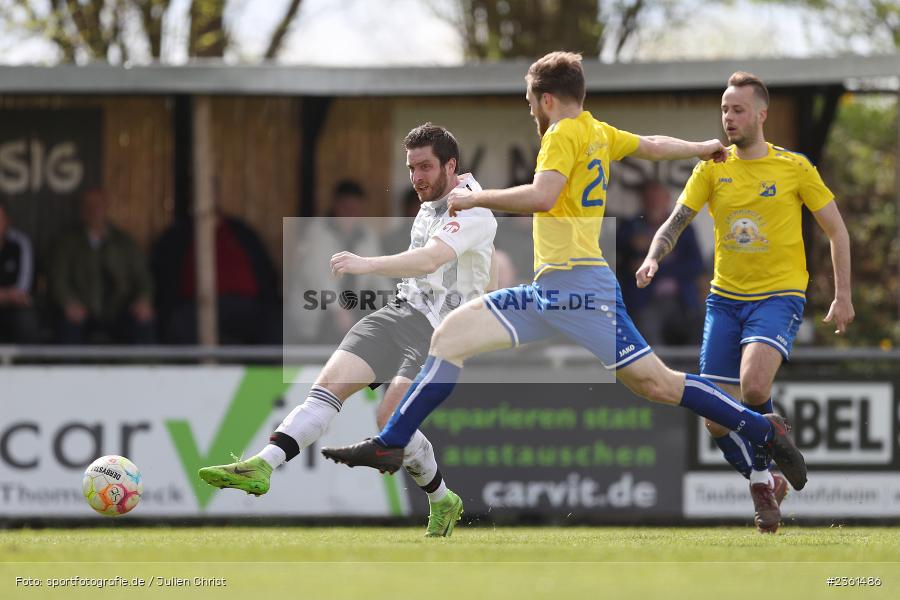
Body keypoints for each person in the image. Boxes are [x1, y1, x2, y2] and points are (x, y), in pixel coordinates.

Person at [321, 52, 809, 508]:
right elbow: (654, 145)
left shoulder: (560, 134)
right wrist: (702, 147)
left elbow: (543, 196)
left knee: (656, 383)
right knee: (449, 336)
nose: (531, 109)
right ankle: (391, 444)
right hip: (549, 290)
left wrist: (476, 197)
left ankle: (762, 432)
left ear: (546, 99)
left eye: (531, 101)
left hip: (581, 289)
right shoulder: (594, 129)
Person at [199, 123, 498, 537]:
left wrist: (366, 263)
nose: (417, 178)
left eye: (425, 167)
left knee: (389, 417)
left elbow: (430, 260)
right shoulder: (430, 202)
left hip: (441, 332)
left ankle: (442, 499)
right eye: (411, 168)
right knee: (325, 390)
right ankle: (263, 465)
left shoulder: (473, 209)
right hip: (399, 314)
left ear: (452, 165)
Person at [634, 72, 854, 532]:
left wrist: (843, 294)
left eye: (737, 110)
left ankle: (762, 470)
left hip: (778, 296)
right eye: (724, 110)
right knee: (714, 419)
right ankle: (763, 478)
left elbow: (836, 229)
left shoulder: (794, 167)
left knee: (753, 389)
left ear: (761, 114)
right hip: (724, 302)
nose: (728, 118)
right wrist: (654, 256)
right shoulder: (712, 167)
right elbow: (675, 222)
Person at [152, 208, 280, 345]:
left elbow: (266, 272)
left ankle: (265, 367)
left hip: (246, 304)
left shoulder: (241, 232)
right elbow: (164, 276)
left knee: (276, 323)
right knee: (180, 325)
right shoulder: (179, 234)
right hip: (194, 306)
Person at [287, 180, 389, 344]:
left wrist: (395, 305)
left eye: (356, 210)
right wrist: (337, 310)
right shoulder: (316, 232)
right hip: (316, 318)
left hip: (351, 314)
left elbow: (377, 275)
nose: (351, 214)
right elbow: (317, 278)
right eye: (346, 209)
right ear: (336, 206)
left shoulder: (367, 236)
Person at [50, 189, 155, 344]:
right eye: (89, 206)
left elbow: (143, 277)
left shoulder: (124, 242)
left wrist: (144, 299)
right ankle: (71, 369)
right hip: (82, 311)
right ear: (82, 210)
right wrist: (69, 302)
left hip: (119, 310)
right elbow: (58, 279)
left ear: (106, 207)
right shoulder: (68, 242)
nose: (94, 210)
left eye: (98, 205)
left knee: (144, 323)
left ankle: (141, 368)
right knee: (67, 327)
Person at [616, 180, 706, 345]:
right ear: (642, 200)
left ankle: (692, 370)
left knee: (702, 326)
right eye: (650, 197)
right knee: (647, 329)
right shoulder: (630, 228)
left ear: (668, 199)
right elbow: (622, 264)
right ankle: (657, 371)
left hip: (681, 299)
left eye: (658, 197)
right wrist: (631, 245)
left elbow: (696, 265)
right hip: (646, 300)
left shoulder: (683, 227)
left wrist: (657, 266)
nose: (655, 202)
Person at [0, 200, 41, 344]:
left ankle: (29, 365)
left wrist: (8, 297)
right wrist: (7, 295)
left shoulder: (20, 243)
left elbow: (23, 289)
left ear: (7, 221)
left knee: (26, 319)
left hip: (15, 308)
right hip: (10, 299)